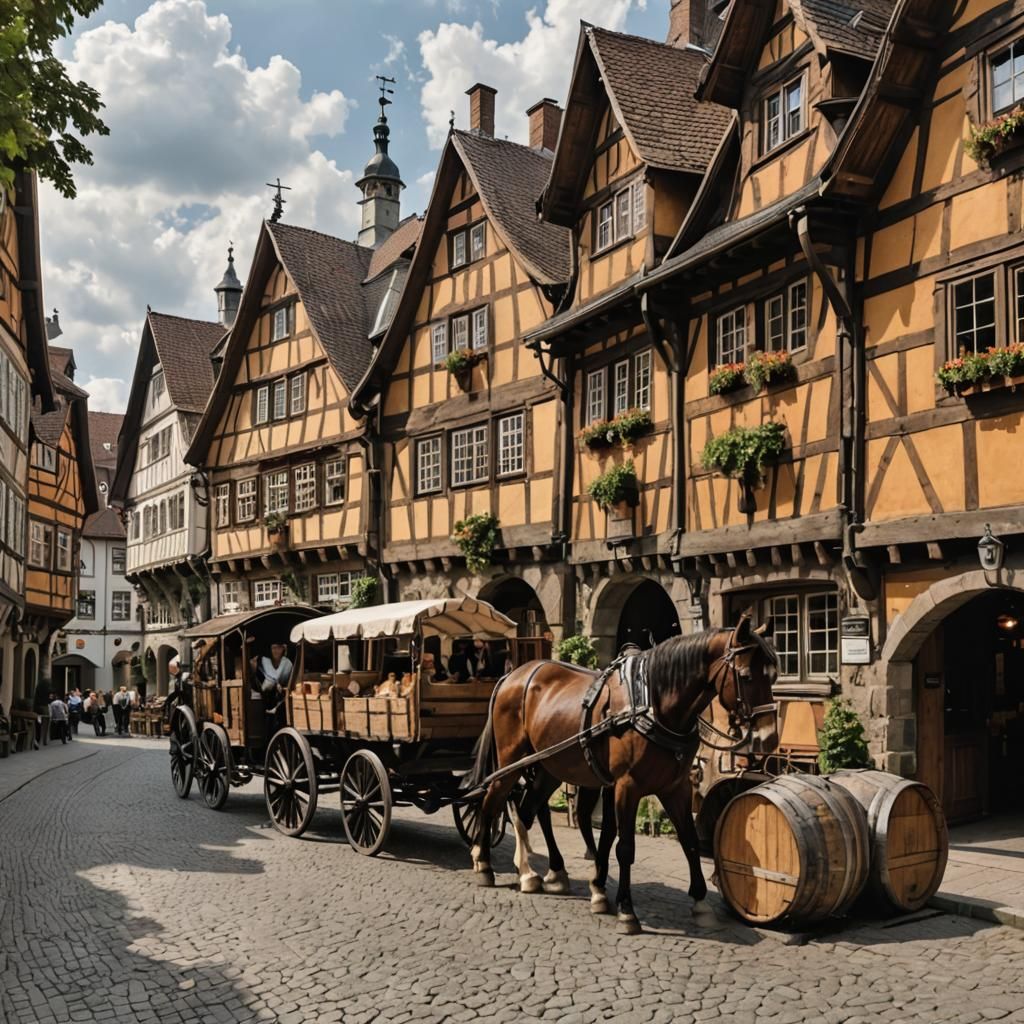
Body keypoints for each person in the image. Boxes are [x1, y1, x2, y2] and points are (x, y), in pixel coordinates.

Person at [250, 643, 292, 735]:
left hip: (282, 700)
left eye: (279, 648)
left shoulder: (287, 663)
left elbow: (281, 679)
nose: (276, 651)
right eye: (274, 648)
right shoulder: (265, 662)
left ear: (283, 649)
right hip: (266, 700)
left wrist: (280, 686)